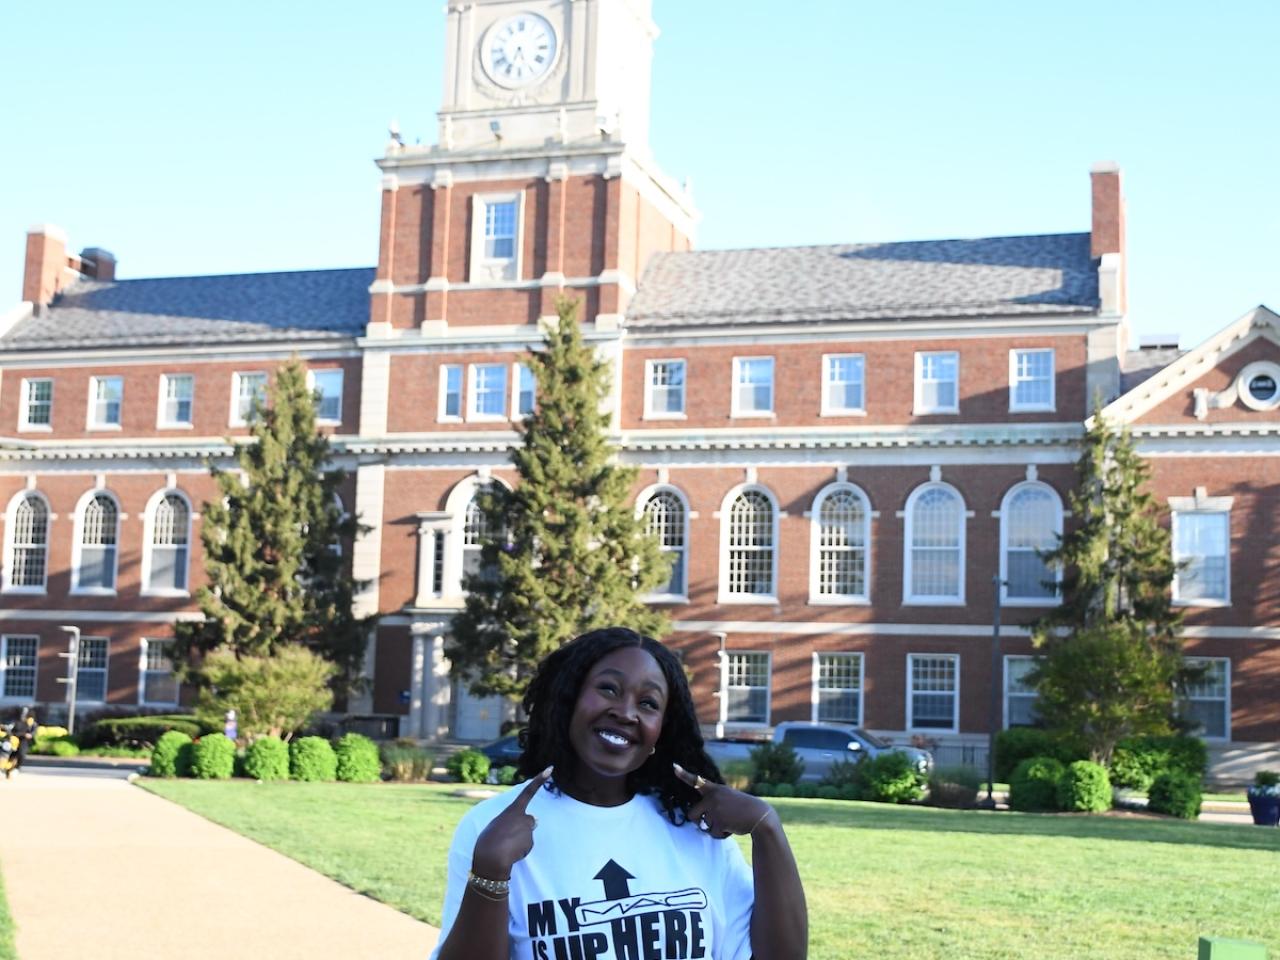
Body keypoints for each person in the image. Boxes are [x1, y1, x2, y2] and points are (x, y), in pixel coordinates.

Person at [431, 627, 807, 960]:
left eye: (648, 703)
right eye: (608, 689)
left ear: (663, 728)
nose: (626, 713)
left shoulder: (696, 825)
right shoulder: (492, 827)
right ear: (568, 700)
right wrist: (491, 872)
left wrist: (767, 829)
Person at [14, 706, 36, 771]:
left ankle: (17, 768)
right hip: (14, 739)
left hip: (23, 741)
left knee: (21, 754)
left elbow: (33, 732)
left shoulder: (31, 723)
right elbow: (13, 731)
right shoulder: (16, 722)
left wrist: (29, 734)